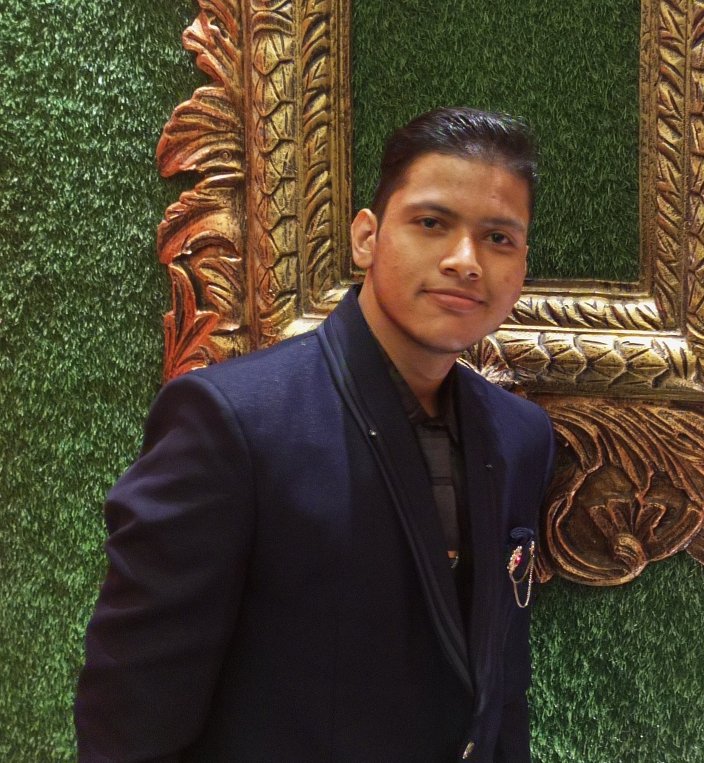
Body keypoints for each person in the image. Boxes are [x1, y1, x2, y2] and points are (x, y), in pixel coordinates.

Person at [75, 106, 556, 762]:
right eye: (431, 223)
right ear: (366, 237)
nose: (465, 261)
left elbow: (498, 690)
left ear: (522, 263)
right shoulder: (232, 422)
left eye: (498, 238)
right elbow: (132, 712)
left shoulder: (520, 435)